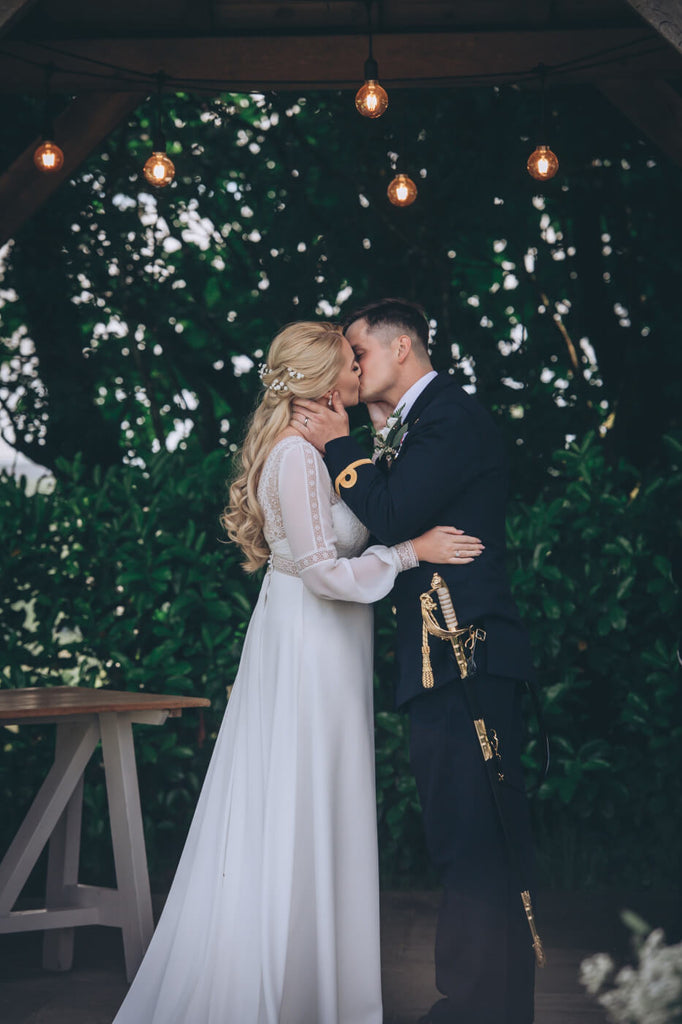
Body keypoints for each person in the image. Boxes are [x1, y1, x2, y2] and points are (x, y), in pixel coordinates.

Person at [111, 320, 483, 1024]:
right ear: (323, 379)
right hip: (310, 642)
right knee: (299, 796)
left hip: (331, 646)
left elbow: (349, 526)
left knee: (324, 796)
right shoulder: (291, 456)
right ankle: (284, 987)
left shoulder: (317, 451)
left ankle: (318, 983)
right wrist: (412, 552)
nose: (359, 370)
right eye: (350, 363)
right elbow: (321, 570)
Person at [292, 299, 537, 1024]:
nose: (351, 367)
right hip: (442, 658)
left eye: (359, 352)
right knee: (460, 833)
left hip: (466, 653)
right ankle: (480, 1003)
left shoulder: (450, 418)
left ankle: (476, 1006)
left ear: (403, 348)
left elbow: (393, 516)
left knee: (474, 835)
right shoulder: (416, 425)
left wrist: (341, 445)